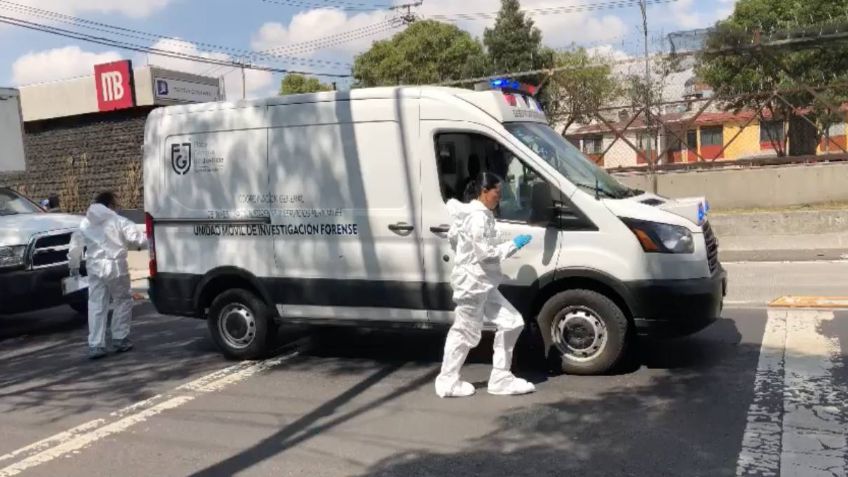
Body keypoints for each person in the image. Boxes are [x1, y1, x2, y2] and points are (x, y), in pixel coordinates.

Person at [434, 172, 536, 398]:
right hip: (472, 285)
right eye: (497, 193)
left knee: (512, 323)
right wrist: (513, 245)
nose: (499, 197)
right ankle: (448, 382)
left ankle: (501, 378)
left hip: (482, 284)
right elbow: (486, 255)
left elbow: (455, 239)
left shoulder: (475, 214)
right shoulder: (478, 217)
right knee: (464, 332)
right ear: (484, 192)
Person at [68, 191, 147, 359]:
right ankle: (119, 338)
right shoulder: (118, 221)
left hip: (95, 268)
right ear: (110, 205)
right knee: (122, 300)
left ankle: (96, 344)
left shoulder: (85, 223)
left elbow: (75, 247)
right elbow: (139, 239)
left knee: (96, 304)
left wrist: (73, 266)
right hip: (116, 266)